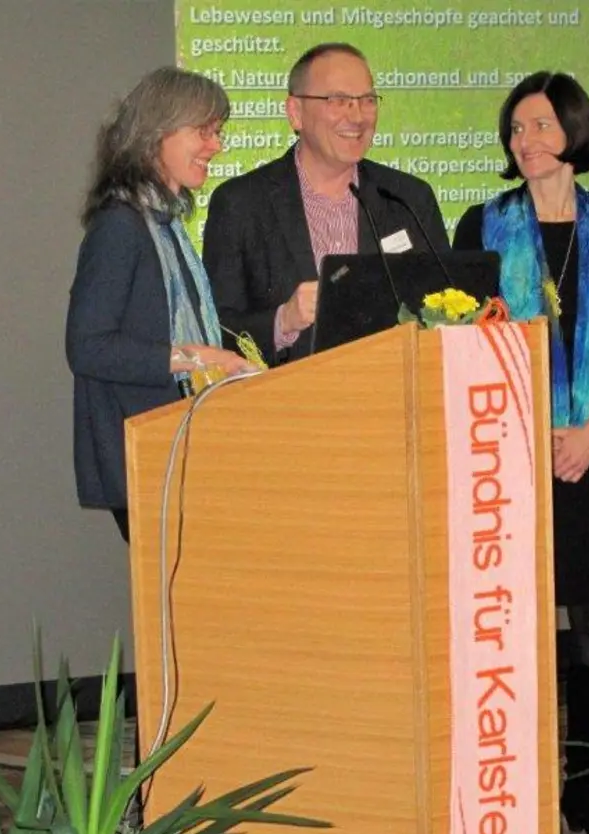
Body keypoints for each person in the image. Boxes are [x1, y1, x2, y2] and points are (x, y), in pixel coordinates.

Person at [452, 71, 589, 834]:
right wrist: (529, 433)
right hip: (504, 454)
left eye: (538, 126)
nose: (524, 141)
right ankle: (519, 787)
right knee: (513, 634)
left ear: (574, 131)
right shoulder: (482, 225)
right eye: (514, 130)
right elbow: (463, 343)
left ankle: (584, 789)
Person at [66, 67, 251, 542]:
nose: (216, 146)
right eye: (203, 131)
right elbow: (87, 347)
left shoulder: (165, 225)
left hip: (181, 450)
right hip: (147, 455)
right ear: (154, 135)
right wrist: (196, 358)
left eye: (218, 132)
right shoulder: (120, 228)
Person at [202, 43, 448, 367]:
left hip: (392, 400)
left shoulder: (408, 198)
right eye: (338, 100)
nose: (358, 116)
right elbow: (214, 329)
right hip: (288, 407)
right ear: (295, 113)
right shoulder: (241, 204)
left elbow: (450, 306)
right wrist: (283, 321)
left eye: (368, 100)